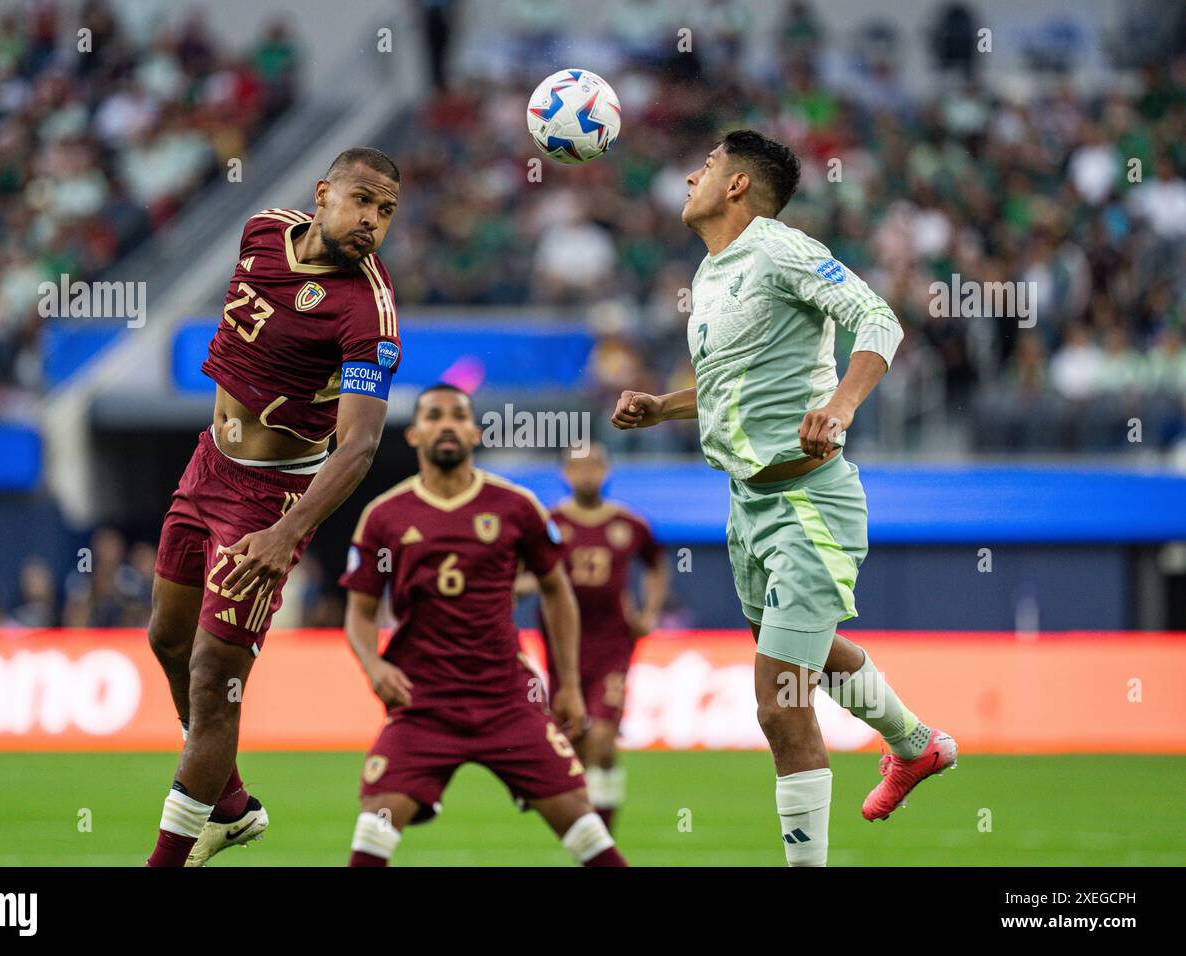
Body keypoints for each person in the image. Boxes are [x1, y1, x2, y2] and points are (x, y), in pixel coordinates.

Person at [611, 129, 957, 866]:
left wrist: (840, 407)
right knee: (806, 653)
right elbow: (730, 387)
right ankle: (917, 746)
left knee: (778, 702)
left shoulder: (778, 247)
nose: (688, 179)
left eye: (703, 166)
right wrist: (662, 408)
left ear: (737, 185)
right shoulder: (711, 276)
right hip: (747, 506)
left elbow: (878, 319)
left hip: (807, 500)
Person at [144, 147, 404, 867]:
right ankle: (228, 805)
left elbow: (357, 448)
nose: (372, 222)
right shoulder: (262, 230)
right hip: (208, 464)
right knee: (166, 639)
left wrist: (286, 532)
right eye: (362, 201)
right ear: (323, 194)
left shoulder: (369, 314)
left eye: (386, 212)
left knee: (212, 676)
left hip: (271, 497)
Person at [339, 384, 627, 867]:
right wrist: (372, 664)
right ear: (415, 434)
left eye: (458, 415)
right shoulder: (384, 517)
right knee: (376, 823)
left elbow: (557, 590)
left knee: (584, 826)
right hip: (423, 701)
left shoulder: (515, 507)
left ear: (474, 432)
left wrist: (570, 685)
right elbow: (361, 610)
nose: (447, 424)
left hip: (507, 698)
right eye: (434, 415)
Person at [535, 442, 668, 832]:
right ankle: (583, 823)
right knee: (572, 738)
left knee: (603, 740)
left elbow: (657, 567)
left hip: (612, 643)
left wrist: (649, 612)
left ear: (607, 471)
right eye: (577, 467)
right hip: (562, 646)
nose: (586, 474)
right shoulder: (548, 523)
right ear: (564, 473)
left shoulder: (630, 524)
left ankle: (601, 833)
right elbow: (523, 569)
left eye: (593, 466)